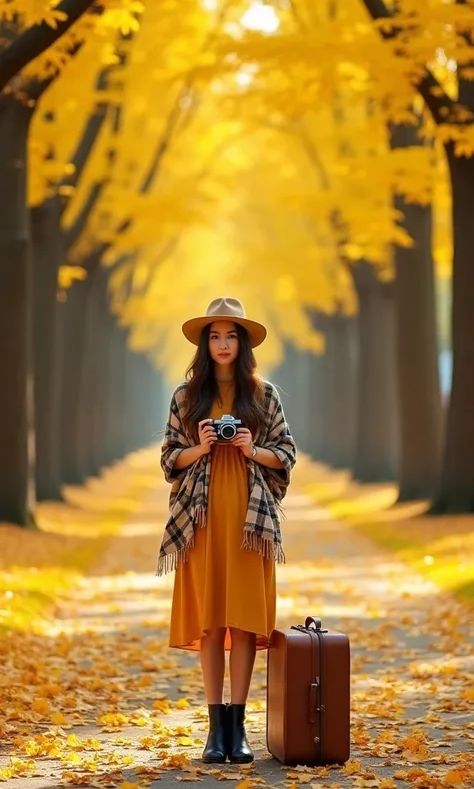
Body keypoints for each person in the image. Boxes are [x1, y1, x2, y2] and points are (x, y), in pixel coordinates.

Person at [156, 297, 296, 765]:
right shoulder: (185, 395)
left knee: (242, 620)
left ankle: (239, 729)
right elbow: (168, 460)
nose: (222, 344)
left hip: (249, 524)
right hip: (201, 521)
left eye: (230, 335)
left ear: (243, 342)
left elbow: (287, 455)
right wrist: (201, 446)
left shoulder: (264, 394)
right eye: (214, 336)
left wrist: (251, 448)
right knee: (211, 622)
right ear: (204, 342)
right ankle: (214, 731)